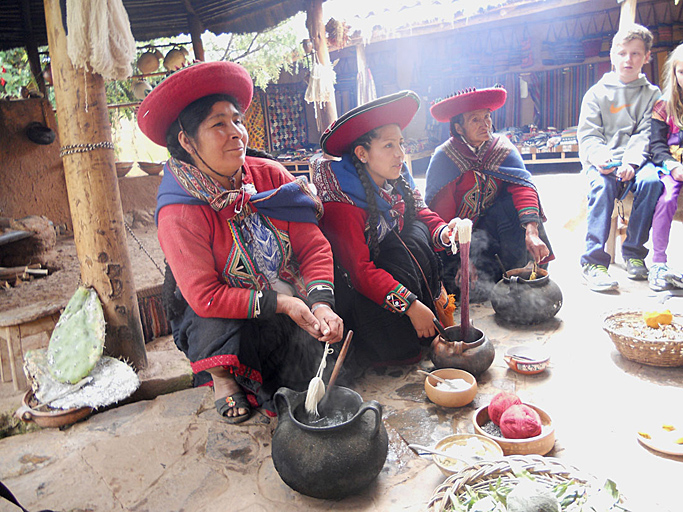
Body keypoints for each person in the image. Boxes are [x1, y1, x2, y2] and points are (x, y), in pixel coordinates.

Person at [137, 61, 344, 423]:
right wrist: (281, 304)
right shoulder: (179, 212)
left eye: (237, 121)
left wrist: (321, 305)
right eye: (219, 124)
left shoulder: (270, 176)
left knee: (339, 324)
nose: (237, 133)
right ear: (187, 141)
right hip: (222, 308)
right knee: (216, 323)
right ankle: (223, 378)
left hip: (285, 290)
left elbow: (312, 246)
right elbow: (205, 295)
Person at [311, 91, 459, 367]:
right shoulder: (342, 203)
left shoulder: (397, 177)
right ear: (362, 153)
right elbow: (358, 271)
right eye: (389, 146)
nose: (400, 154)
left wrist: (443, 231)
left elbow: (420, 212)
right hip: (353, 288)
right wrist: (412, 306)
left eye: (401, 144)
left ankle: (425, 314)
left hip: (388, 265)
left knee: (415, 235)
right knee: (400, 350)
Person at [425, 86, 554, 299]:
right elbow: (443, 219)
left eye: (487, 117)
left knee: (517, 209)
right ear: (458, 128)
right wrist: (464, 261)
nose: (485, 124)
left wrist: (532, 230)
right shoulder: (445, 158)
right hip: (457, 241)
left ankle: (520, 275)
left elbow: (523, 188)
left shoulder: (502, 148)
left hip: (495, 232)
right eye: (475, 120)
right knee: (466, 291)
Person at [577, 24, 662, 292]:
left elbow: (646, 132)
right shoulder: (596, 93)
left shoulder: (652, 94)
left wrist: (632, 163)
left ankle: (634, 252)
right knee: (601, 187)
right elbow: (589, 135)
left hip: (638, 160)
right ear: (612, 55)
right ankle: (593, 262)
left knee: (652, 183)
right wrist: (602, 159)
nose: (628, 59)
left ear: (647, 56)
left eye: (636, 53)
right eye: (622, 53)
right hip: (603, 161)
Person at [644, 43, 683, 291]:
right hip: (671, 167)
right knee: (668, 198)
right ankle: (659, 262)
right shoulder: (663, 106)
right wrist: (673, 167)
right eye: (682, 71)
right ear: (675, 73)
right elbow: (656, 146)